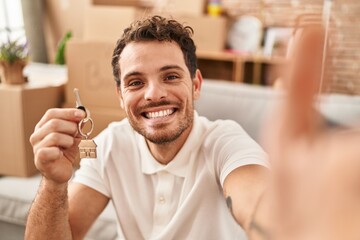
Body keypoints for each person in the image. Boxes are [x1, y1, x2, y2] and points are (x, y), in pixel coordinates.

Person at [25, 15, 269, 240]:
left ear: (195, 85)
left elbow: (261, 210)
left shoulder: (225, 143)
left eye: (171, 76)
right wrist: (53, 182)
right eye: (136, 82)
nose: (154, 94)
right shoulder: (110, 145)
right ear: (121, 96)